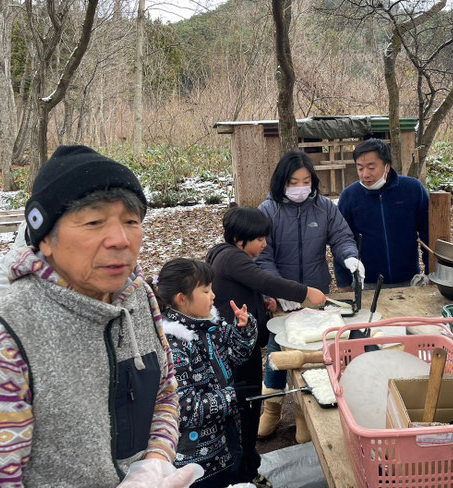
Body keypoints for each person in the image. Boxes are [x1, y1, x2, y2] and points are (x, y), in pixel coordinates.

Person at [0, 145, 191, 487]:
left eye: (131, 221)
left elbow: (165, 394)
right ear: (45, 239)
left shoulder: (139, 297)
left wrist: (155, 462)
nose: (120, 240)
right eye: (94, 222)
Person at [206, 206, 326, 486]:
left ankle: (248, 466)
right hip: (237, 353)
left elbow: (245, 289)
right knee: (245, 411)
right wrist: (306, 292)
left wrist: (262, 303)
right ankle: (244, 475)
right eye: (259, 238)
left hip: (238, 348)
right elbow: (264, 280)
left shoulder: (226, 255)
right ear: (239, 240)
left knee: (247, 409)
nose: (264, 244)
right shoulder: (232, 257)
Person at [255, 150, 363, 442]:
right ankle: (272, 408)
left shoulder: (324, 207)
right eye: (294, 182)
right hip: (282, 295)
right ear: (282, 182)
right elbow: (262, 256)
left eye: (306, 181)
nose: (301, 187)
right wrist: (279, 289)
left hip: (316, 291)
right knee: (279, 348)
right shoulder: (268, 211)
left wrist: (350, 257)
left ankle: (305, 412)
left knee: (315, 352)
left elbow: (341, 237)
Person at [152, 258, 257, 488]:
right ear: (182, 298)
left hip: (223, 439)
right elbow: (184, 408)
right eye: (206, 290)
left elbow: (237, 355)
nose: (213, 295)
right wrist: (231, 397)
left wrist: (243, 330)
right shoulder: (174, 346)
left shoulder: (210, 325)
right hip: (196, 459)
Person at [335, 138, 430, 288]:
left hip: (408, 280)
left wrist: (433, 273)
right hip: (366, 282)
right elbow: (341, 239)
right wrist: (344, 283)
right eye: (360, 168)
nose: (365, 174)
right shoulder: (349, 196)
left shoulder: (413, 189)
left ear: (387, 166)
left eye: (371, 167)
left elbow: (428, 233)